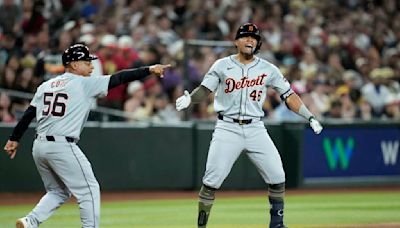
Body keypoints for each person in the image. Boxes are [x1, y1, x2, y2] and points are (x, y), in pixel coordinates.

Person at [3, 43, 170, 228]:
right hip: (61, 146)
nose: (91, 66)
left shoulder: (46, 85)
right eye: (86, 62)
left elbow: (28, 114)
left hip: (40, 146)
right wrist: (148, 69)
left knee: (58, 192)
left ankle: (30, 221)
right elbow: (119, 78)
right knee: (89, 190)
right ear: (74, 65)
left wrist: (14, 139)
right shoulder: (84, 83)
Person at [175, 23, 323, 228]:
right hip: (227, 128)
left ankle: (277, 224)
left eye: (254, 38)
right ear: (236, 42)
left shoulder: (268, 68)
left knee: (278, 176)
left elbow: (289, 96)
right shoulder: (221, 65)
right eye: (245, 37)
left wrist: (310, 117)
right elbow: (204, 90)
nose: (250, 40)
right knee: (211, 182)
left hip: (255, 128)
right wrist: (191, 99)